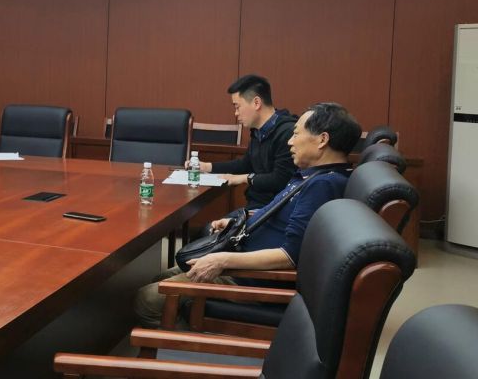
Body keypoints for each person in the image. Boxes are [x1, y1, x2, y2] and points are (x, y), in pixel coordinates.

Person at [136, 102, 361, 329]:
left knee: (147, 299)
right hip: (242, 261)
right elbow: (283, 214)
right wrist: (244, 219)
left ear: (322, 140)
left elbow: (290, 256)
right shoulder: (312, 176)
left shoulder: (323, 185)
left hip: (252, 278)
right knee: (160, 278)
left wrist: (222, 260)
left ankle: (181, 342)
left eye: (296, 134)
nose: (290, 142)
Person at [195, 74, 298, 212]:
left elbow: (280, 179)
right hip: (256, 206)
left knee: (213, 225)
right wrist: (207, 167)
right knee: (213, 225)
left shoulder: (287, 133)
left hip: (273, 211)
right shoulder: (258, 131)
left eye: (237, 107)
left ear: (256, 103)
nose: (236, 113)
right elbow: (246, 164)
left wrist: (243, 178)